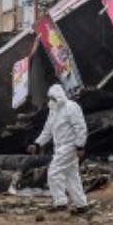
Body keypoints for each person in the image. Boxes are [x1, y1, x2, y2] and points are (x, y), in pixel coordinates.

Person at [27, 84, 89, 214]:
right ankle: (81, 205)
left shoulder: (71, 107)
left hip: (70, 146)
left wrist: (80, 146)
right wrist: (38, 143)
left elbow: (80, 127)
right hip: (60, 146)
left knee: (54, 172)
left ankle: (60, 202)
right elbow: (47, 130)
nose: (50, 100)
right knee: (72, 176)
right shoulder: (53, 111)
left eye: (52, 97)